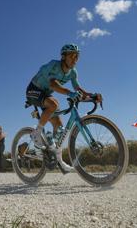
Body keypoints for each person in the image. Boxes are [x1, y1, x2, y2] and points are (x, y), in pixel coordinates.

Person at [25, 43, 102, 172]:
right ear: (63, 56)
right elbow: (54, 85)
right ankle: (36, 133)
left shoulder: (73, 72)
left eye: (77, 56)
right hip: (33, 90)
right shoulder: (54, 65)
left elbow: (78, 89)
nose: (75, 59)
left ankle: (58, 160)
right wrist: (69, 93)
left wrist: (92, 95)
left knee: (59, 127)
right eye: (72, 56)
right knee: (54, 104)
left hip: (46, 95)